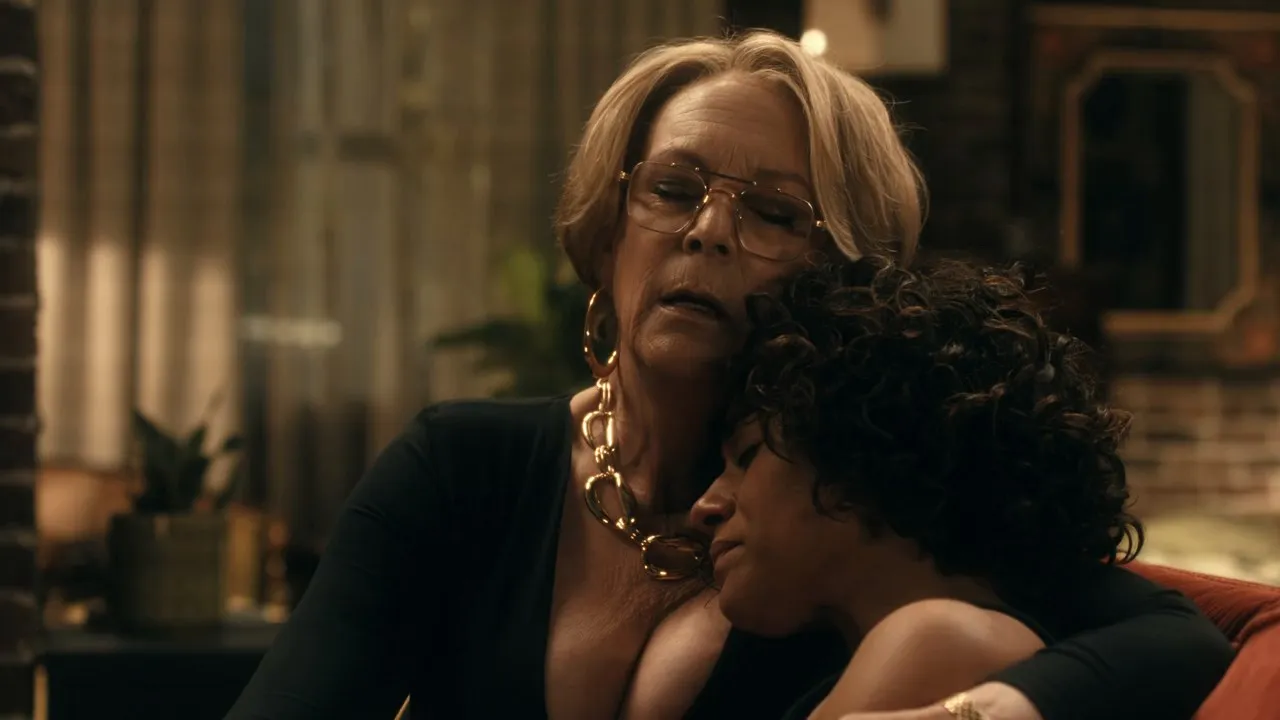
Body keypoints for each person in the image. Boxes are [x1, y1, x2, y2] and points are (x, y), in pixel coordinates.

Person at [225, 31, 1232, 720]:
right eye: (673, 189)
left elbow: (1179, 642)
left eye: (774, 213)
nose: (707, 230)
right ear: (609, 226)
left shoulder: (862, 507)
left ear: (844, 277)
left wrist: (982, 713)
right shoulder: (461, 467)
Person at [691, 257, 1171, 719]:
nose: (705, 505)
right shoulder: (880, 645)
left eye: (747, 458)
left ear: (849, 466)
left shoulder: (938, 637)